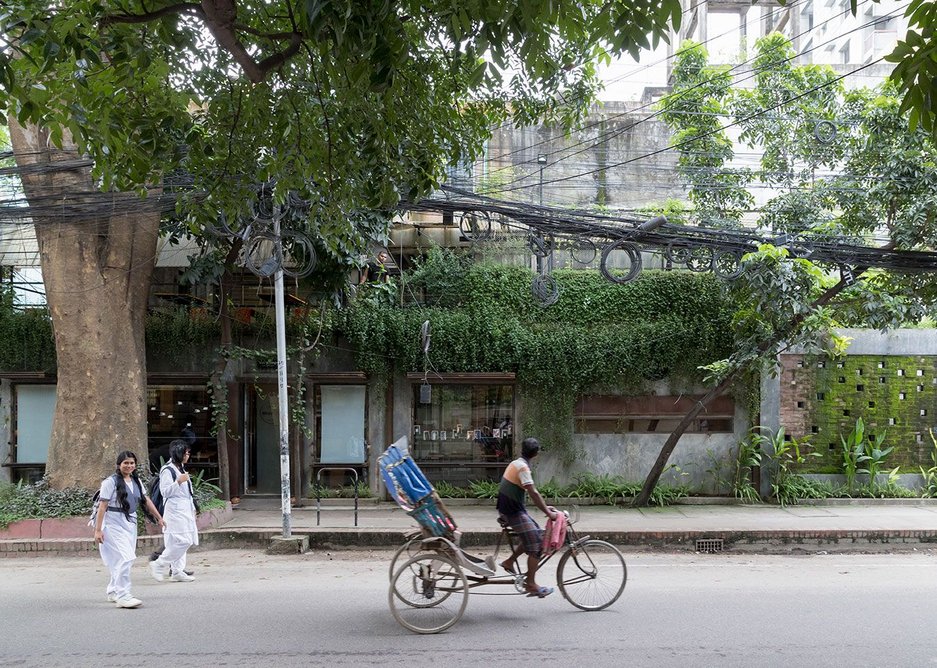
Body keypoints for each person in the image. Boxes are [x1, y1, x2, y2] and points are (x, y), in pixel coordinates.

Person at [93, 450, 165, 609]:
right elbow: (102, 506)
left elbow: (145, 501)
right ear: (119, 465)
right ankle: (123, 595)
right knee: (126, 557)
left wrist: (159, 517)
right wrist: (98, 530)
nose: (129, 466)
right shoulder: (110, 482)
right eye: (126, 463)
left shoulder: (136, 481)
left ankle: (113, 591)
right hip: (112, 523)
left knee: (120, 559)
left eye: (132, 463)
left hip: (129, 523)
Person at [496, 437, 558, 598]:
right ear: (536, 454)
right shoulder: (523, 467)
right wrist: (549, 513)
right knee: (536, 545)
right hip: (512, 513)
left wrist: (545, 507)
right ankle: (531, 584)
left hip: (511, 510)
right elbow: (533, 493)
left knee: (533, 533)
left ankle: (509, 562)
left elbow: (525, 493)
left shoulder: (516, 463)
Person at [150, 440, 199, 583]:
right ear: (178, 453)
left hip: (185, 509)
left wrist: (193, 509)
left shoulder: (181, 468)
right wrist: (178, 481)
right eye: (186, 453)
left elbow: (188, 493)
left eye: (188, 453)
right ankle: (159, 564)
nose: (188, 455)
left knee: (175, 542)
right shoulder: (168, 470)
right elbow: (165, 491)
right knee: (184, 541)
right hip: (175, 511)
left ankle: (177, 571)